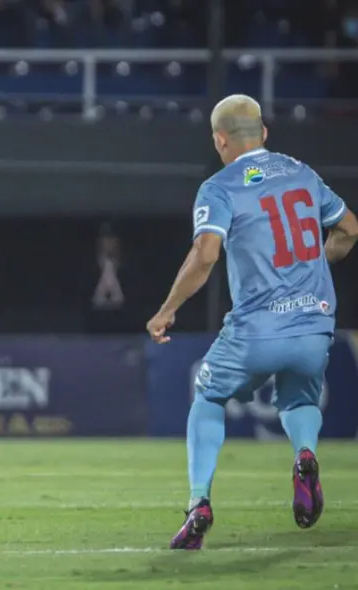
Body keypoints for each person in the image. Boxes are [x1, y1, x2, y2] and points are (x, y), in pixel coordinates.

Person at [146, 94, 358, 550]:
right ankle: (304, 456)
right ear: (264, 133)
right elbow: (350, 229)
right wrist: (315, 267)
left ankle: (199, 502)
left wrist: (167, 309)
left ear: (220, 140)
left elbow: (205, 255)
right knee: (299, 400)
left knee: (209, 395)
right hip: (314, 325)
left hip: (256, 329)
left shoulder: (220, 187)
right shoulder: (302, 172)